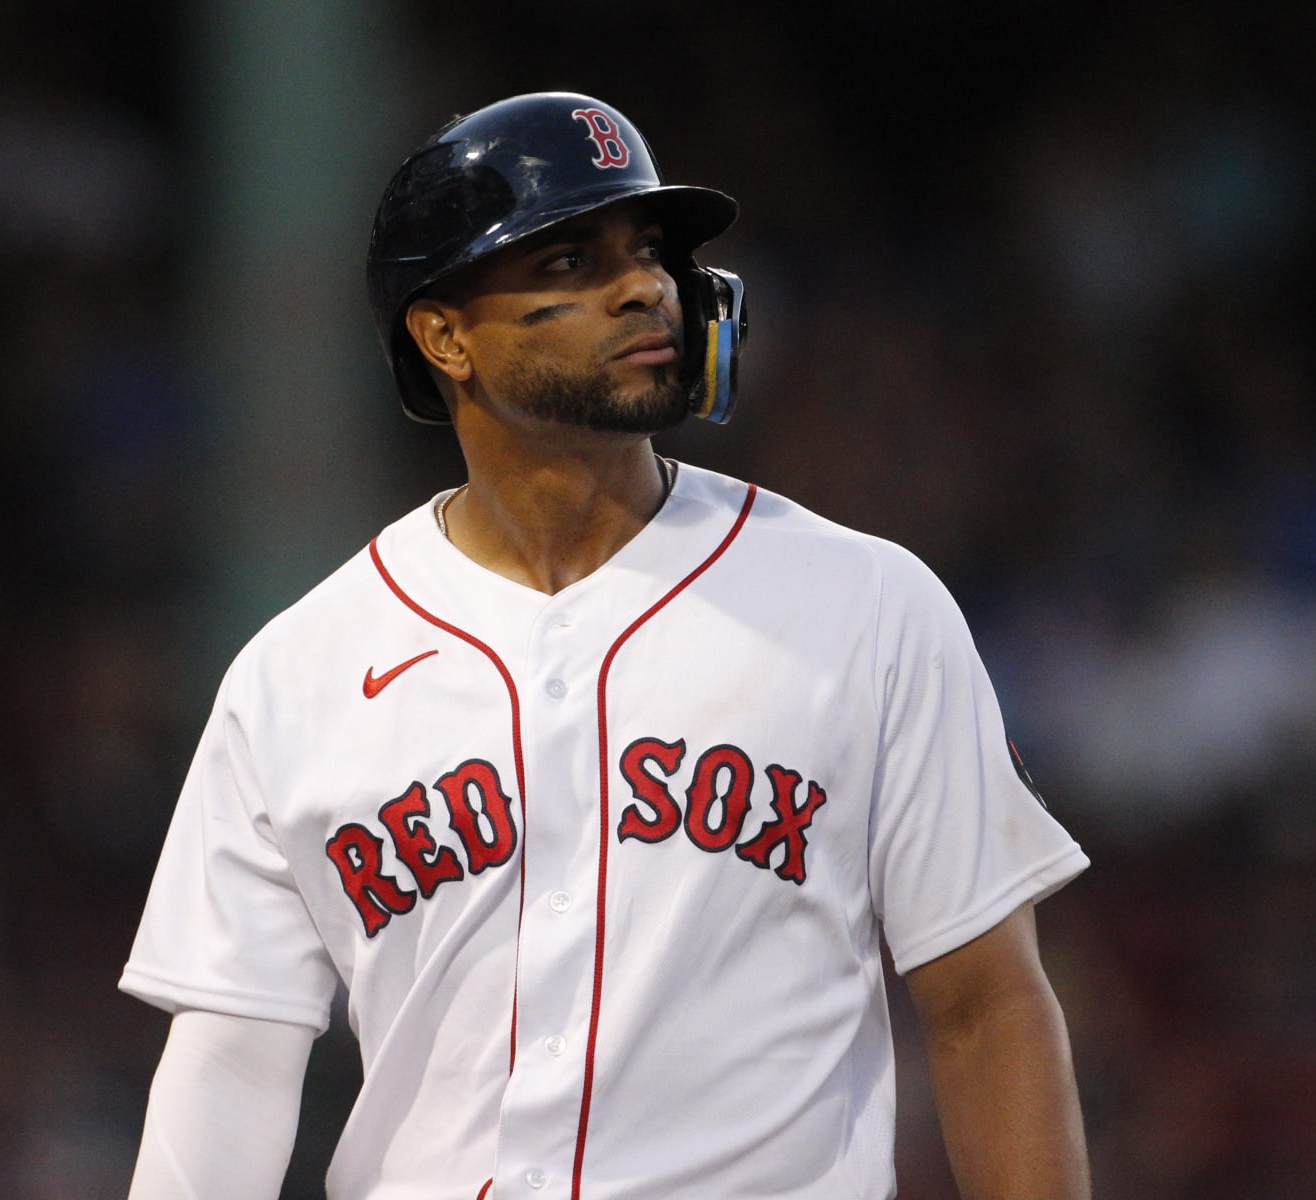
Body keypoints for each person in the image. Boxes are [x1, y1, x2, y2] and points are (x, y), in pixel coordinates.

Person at [121, 91, 1092, 1200]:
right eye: (569, 260)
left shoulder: (868, 605)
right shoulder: (297, 674)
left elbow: (985, 1007)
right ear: (443, 336)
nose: (641, 287)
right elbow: (233, 1058)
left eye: (649, 252)